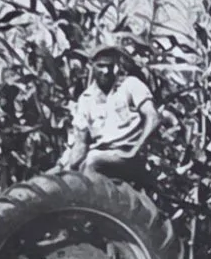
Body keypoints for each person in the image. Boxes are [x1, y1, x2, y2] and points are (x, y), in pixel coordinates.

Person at [57, 39, 161, 192]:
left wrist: (136, 149)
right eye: (101, 66)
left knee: (92, 162)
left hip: (128, 155)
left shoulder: (130, 85)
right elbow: (81, 143)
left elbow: (153, 117)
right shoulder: (86, 99)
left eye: (110, 66)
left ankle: (96, 208)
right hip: (101, 154)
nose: (106, 71)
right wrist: (65, 169)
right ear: (91, 66)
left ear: (116, 66)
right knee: (65, 179)